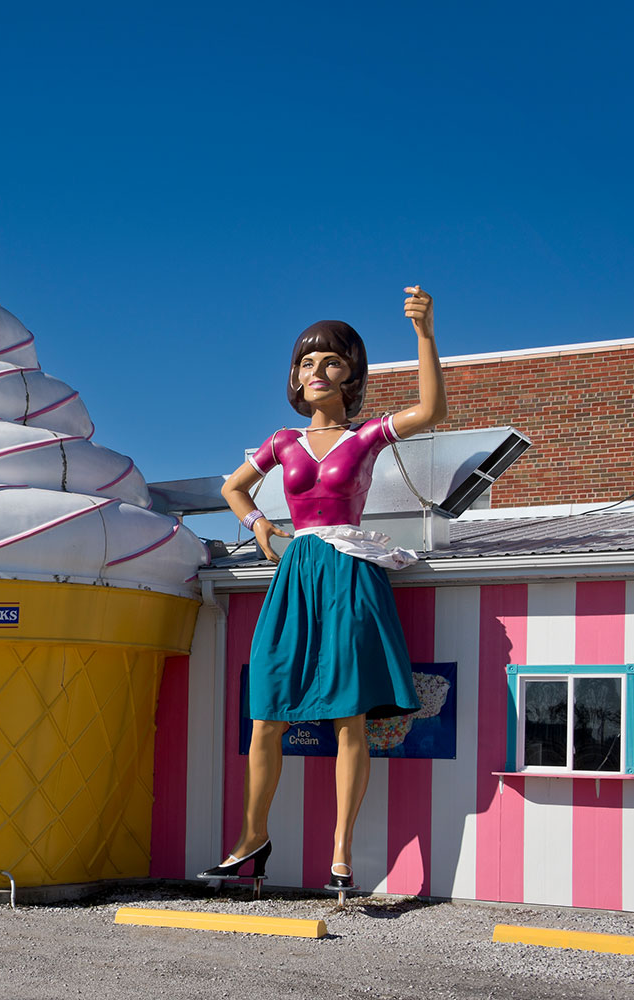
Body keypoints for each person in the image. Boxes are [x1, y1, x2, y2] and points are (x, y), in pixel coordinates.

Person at [198, 286, 447, 893]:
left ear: (351, 374)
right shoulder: (282, 441)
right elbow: (233, 489)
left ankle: (340, 854)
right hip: (296, 572)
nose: (317, 370)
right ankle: (250, 841)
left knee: (348, 716)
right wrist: (260, 526)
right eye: (307, 362)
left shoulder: (366, 437)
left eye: (330, 361)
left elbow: (431, 412)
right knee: (266, 711)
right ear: (295, 376)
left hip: (348, 571)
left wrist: (425, 334)